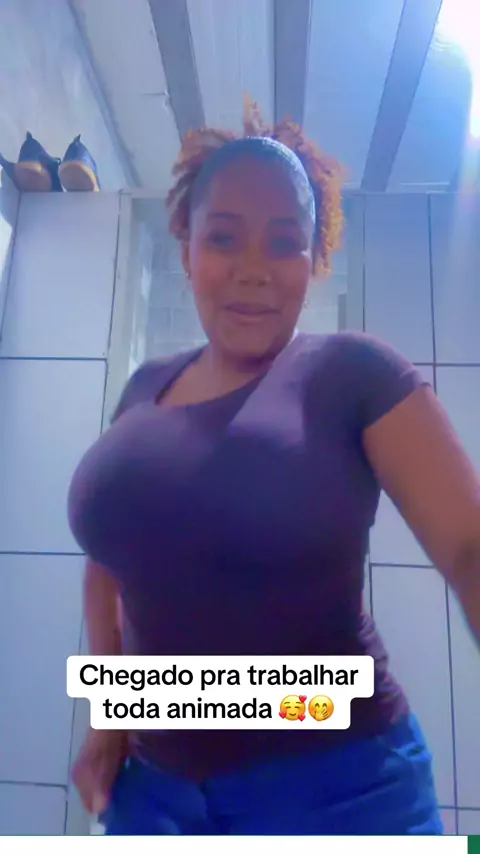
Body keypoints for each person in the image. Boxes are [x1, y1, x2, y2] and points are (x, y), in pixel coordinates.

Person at [68, 100, 480, 835]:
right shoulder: (143, 387)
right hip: (152, 798)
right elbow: (110, 564)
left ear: (313, 260)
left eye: (285, 242)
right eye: (224, 237)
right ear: (187, 247)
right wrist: (111, 719)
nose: (254, 270)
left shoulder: (353, 372)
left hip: (342, 793)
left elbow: (470, 548)